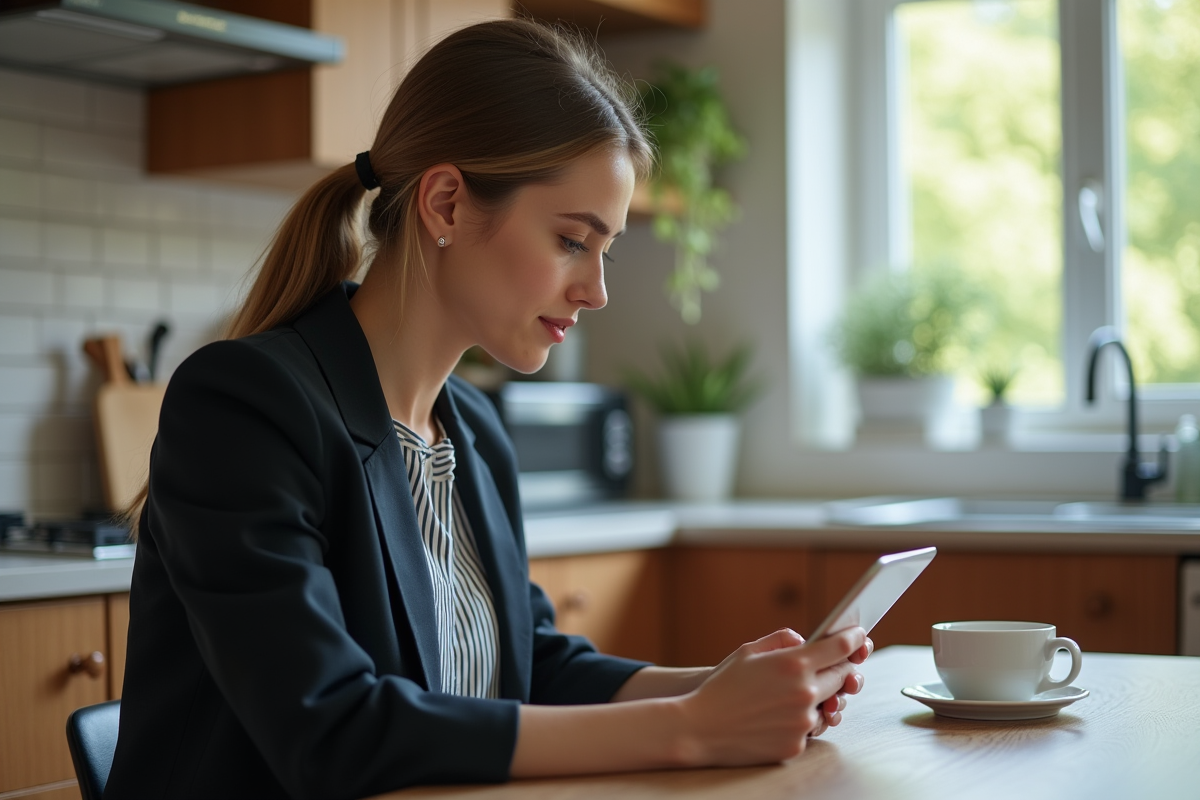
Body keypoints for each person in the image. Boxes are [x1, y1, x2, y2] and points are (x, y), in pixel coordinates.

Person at [104, 19, 871, 800]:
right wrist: (694, 728)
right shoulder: (245, 405)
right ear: (446, 204)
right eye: (573, 240)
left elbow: (528, 664)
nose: (596, 291)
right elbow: (330, 730)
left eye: (603, 252)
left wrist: (724, 687)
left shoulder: (471, 429)